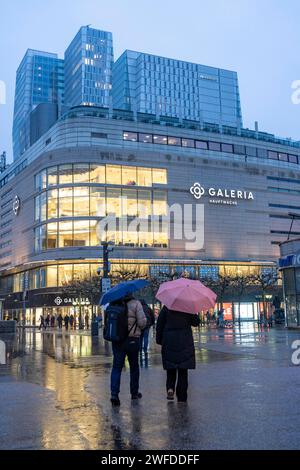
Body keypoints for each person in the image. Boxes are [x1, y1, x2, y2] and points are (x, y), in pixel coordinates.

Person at [156, 305, 200, 403]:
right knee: (183, 370)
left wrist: (159, 340)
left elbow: (159, 325)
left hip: (169, 341)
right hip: (184, 341)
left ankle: (170, 388)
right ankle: (182, 396)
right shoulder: (187, 307)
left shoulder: (166, 308)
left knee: (171, 368)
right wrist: (193, 311)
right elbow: (196, 322)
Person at [110, 294, 147, 407]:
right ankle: (134, 393)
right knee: (134, 367)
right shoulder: (136, 304)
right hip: (132, 340)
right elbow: (142, 323)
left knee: (116, 368)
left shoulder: (114, 304)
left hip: (117, 341)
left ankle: (114, 394)